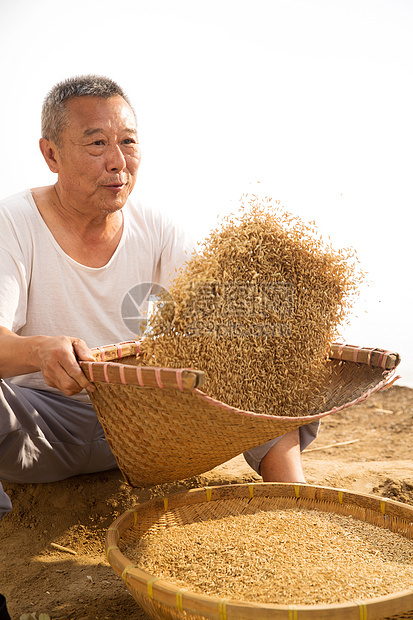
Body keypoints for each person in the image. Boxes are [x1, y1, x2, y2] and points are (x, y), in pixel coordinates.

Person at [0, 75, 319, 523]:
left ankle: (298, 507)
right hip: (43, 428)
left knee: (261, 345)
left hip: (147, 425)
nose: (118, 162)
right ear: (51, 154)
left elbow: (218, 314)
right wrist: (39, 350)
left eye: (128, 141)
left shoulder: (158, 226)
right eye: (96, 144)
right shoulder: (12, 222)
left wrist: (275, 316)